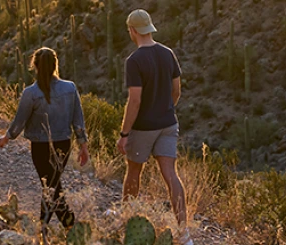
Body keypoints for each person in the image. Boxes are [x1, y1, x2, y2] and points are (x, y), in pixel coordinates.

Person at [117, 9, 191, 244]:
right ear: (148, 28)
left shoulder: (134, 60)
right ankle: (184, 233)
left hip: (143, 127)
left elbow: (135, 101)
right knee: (171, 174)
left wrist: (124, 134)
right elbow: (176, 90)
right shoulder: (168, 54)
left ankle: (126, 220)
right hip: (168, 123)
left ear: (132, 30)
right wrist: (166, 109)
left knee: (134, 172)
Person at [0, 47, 88, 230]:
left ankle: (49, 229)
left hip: (40, 147)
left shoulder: (30, 93)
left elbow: (19, 121)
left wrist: (7, 137)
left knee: (51, 187)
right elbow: (78, 121)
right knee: (52, 185)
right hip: (64, 143)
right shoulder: (70, 88)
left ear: (36, 66)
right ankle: (66, 228)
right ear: (55, 65)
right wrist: (83, 146)